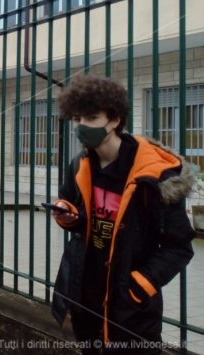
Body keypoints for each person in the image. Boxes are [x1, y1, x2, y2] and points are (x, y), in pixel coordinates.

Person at [50, 75, 195, 354]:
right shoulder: (79, 165)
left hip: (131, 307)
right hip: (85, 296)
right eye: (77, 118)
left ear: (115, 120)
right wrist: (68, 216)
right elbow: (73, 210)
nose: (81, 126)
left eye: (91, 118)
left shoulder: (154, 177)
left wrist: (139, 286)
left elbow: (179, 247)